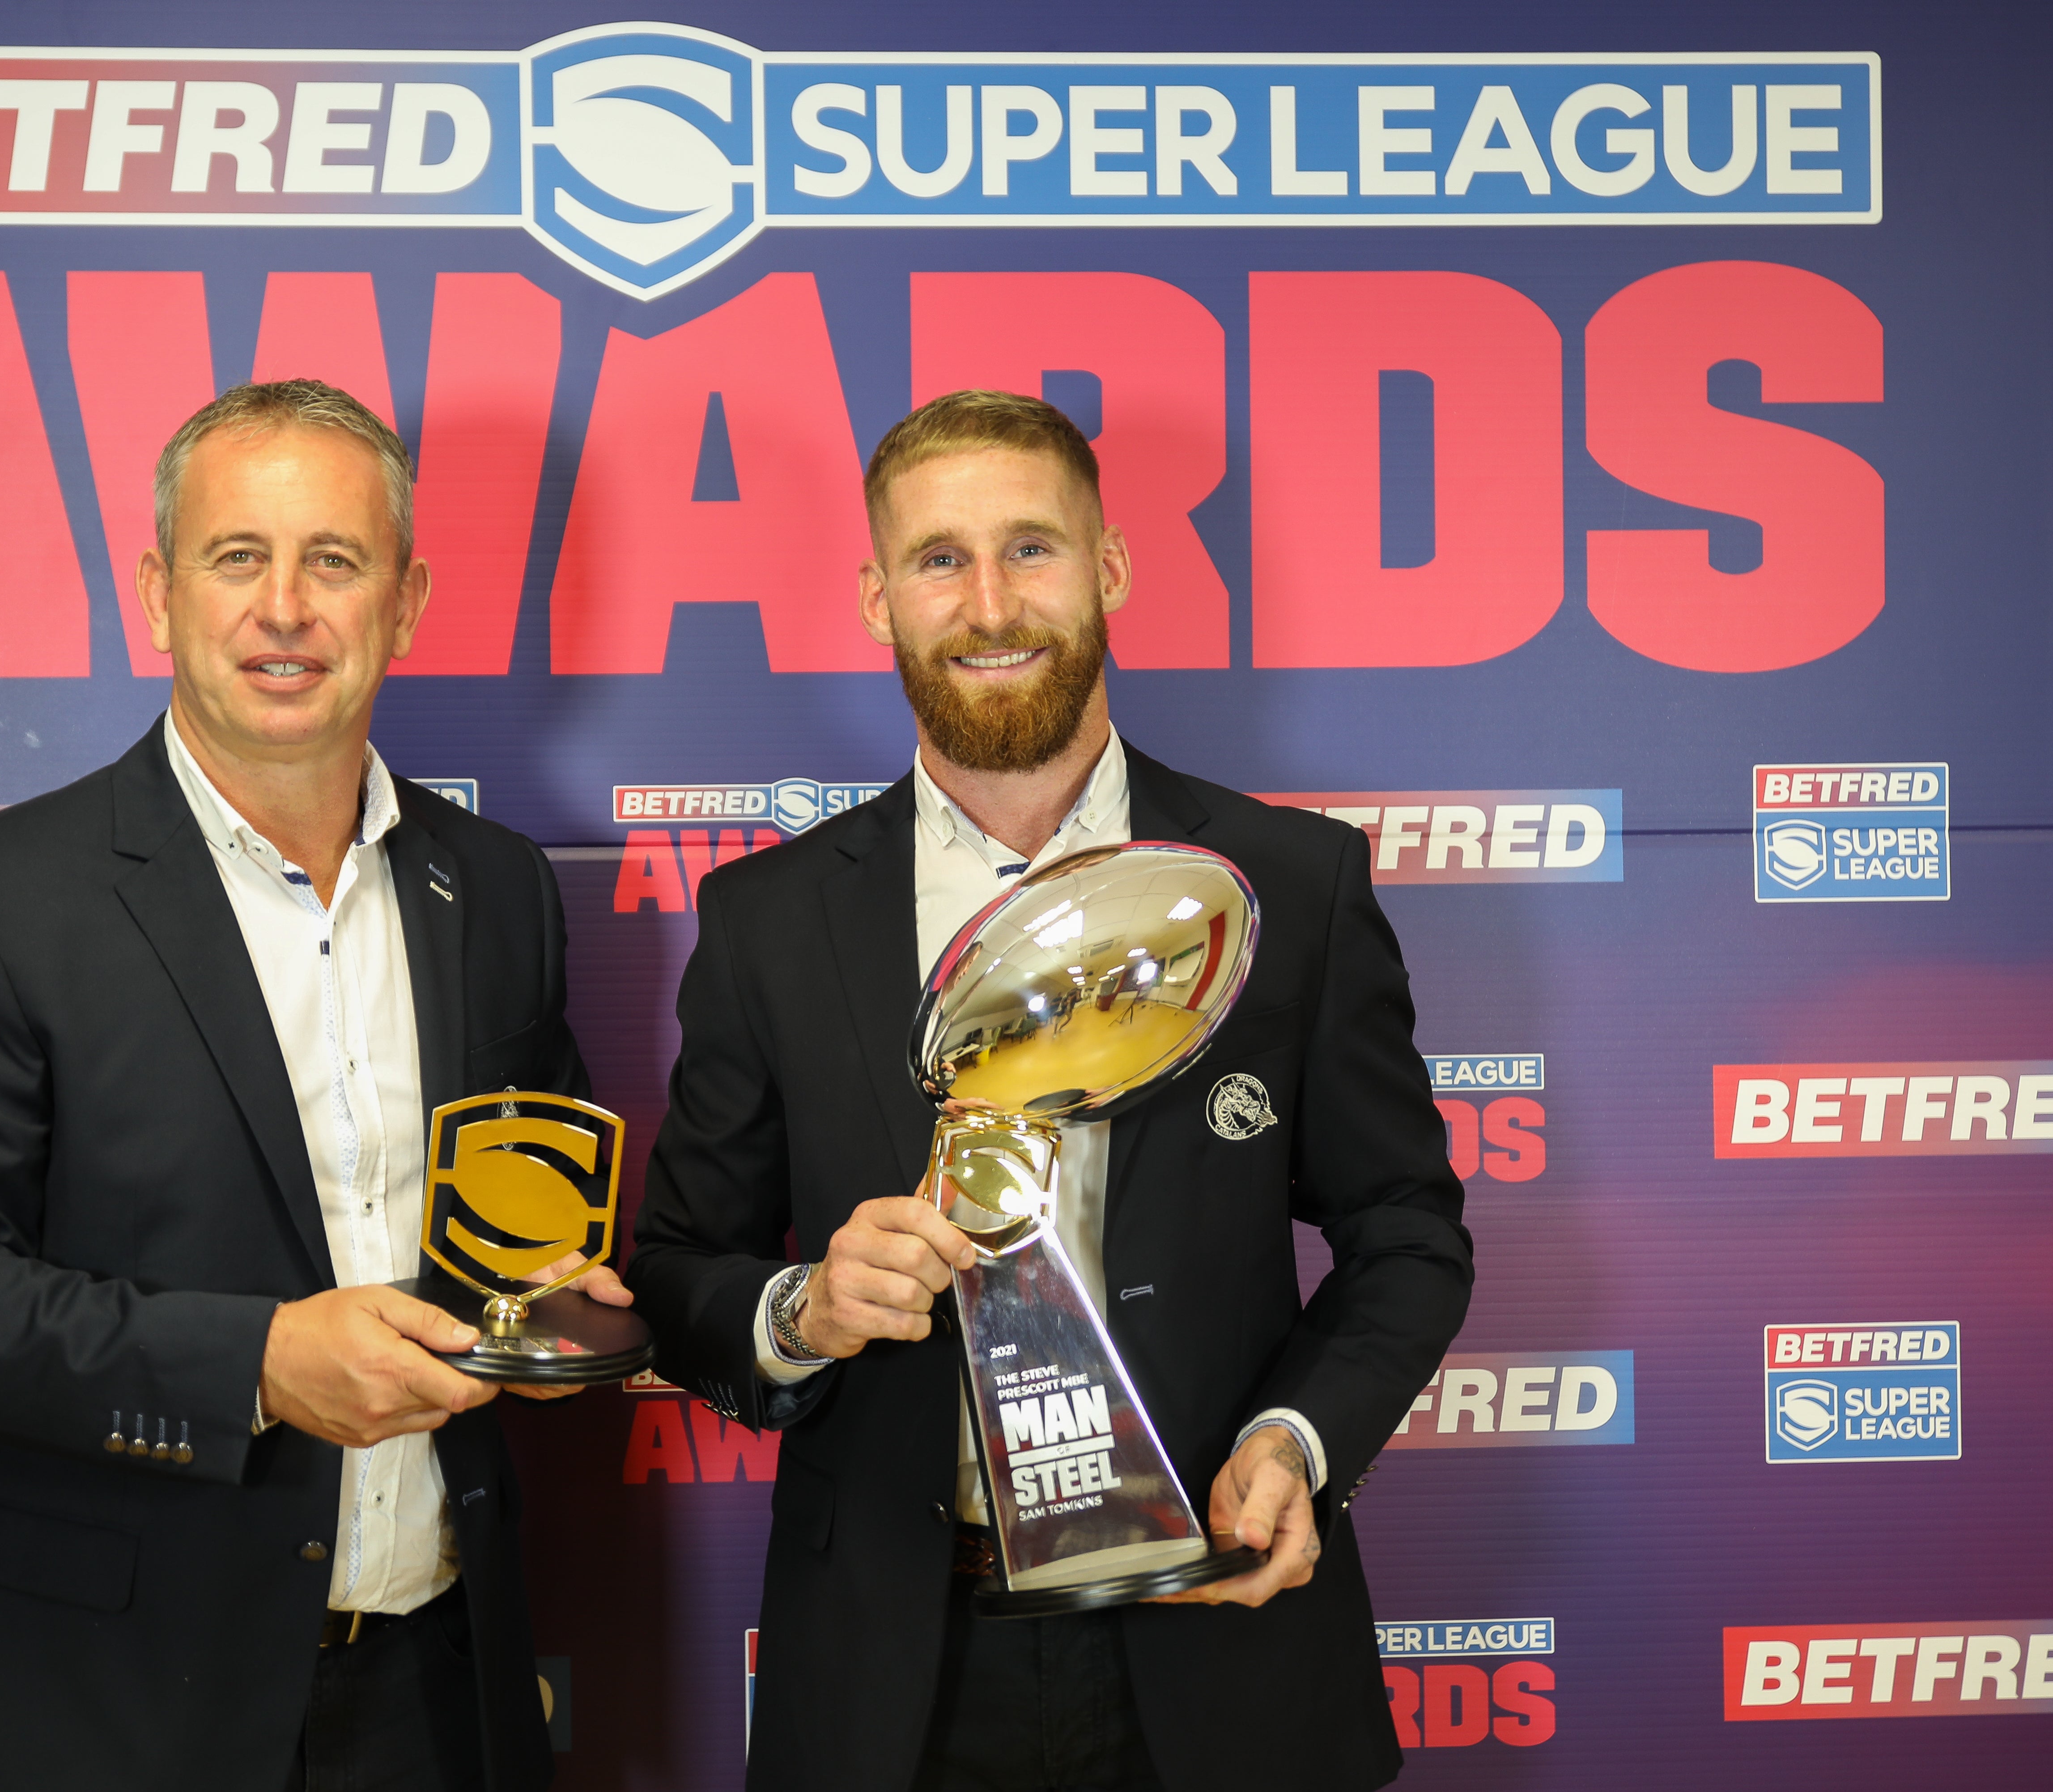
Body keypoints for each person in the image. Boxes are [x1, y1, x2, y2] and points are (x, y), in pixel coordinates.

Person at [627, 390, 1475, 1792]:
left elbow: (1409, 1235)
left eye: (1033, 548)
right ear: (876, 596)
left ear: (1112, 567)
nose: (989, 602)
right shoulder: (768, 923)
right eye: (938, 559)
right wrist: (804, 1310)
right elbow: (674, 1272)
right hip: (898, 1664)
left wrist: (1298, 1438)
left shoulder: (1289, 889)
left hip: (1217, 1619)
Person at [0, 379, 610, 1792]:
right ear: (159, 594)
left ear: (408, 601)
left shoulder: (492, 890)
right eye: (238, 557)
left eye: (336, 560)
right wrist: (255, 1367)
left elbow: (530, 1216)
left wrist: (558, 1307)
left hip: (438, 1695)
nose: (285, 608)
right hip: (103, 1714)